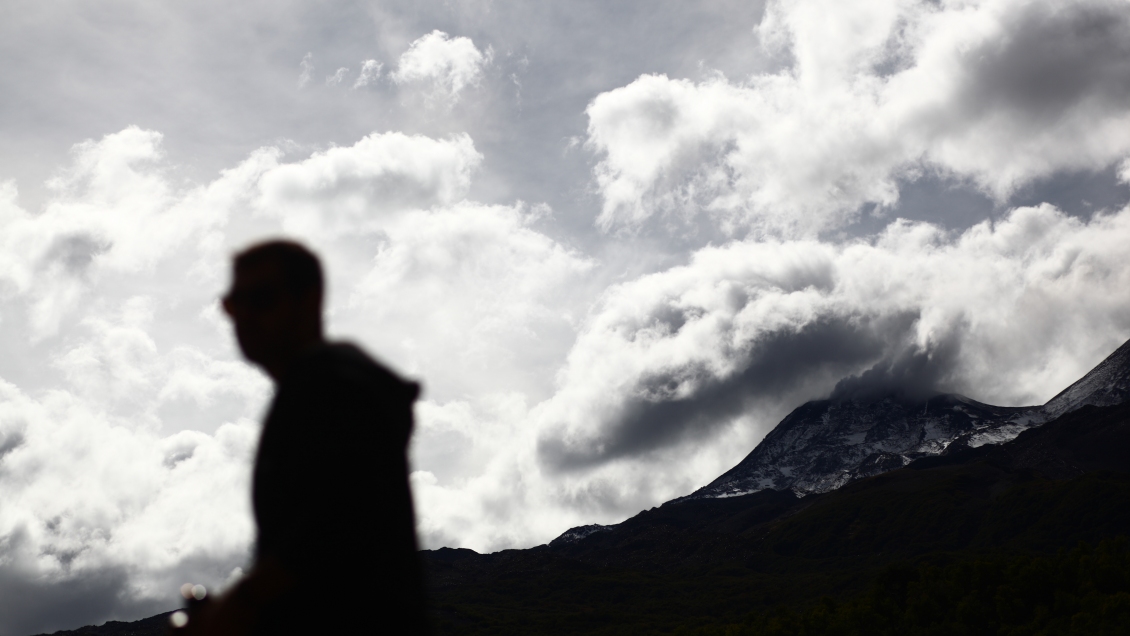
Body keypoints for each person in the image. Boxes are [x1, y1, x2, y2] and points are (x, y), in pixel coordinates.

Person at [175, 240, 431, 635]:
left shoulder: (332, 385)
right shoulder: (315, 387)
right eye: (235, 303)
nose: (245, 316)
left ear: (310, 300)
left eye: (262, 298)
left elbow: (340, 519)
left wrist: (241, 605)